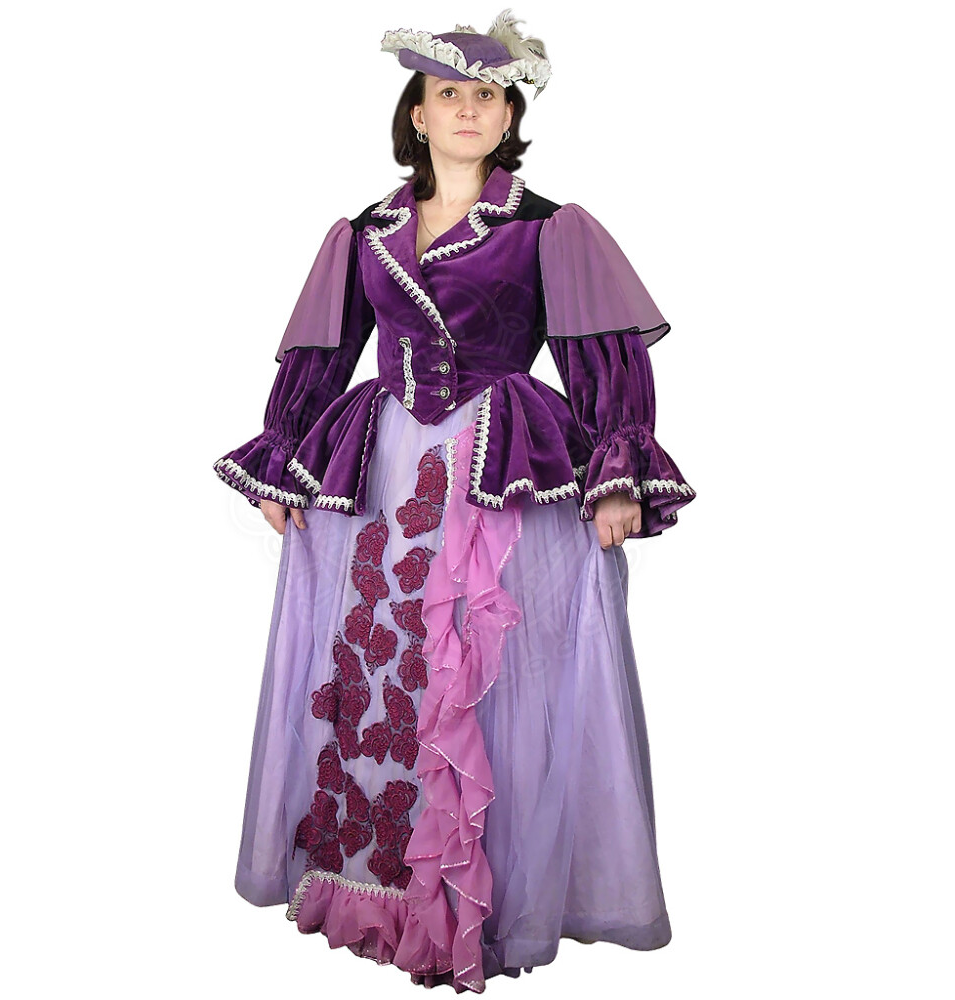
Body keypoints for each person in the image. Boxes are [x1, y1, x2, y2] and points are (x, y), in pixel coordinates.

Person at [212, 10, 696, 994]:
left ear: (509, 115)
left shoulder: (549, 229)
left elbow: (599, 355)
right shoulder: (364, 233)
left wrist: (615, 472)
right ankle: (391, 894)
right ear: (418, 116)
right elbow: (322, 352)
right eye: (448, 95)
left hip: (501, 463)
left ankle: (488, 901)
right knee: (385, 666)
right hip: (386, 469)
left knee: (492, 675)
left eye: (487, 96)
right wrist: (285, 454)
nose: (468, 110)